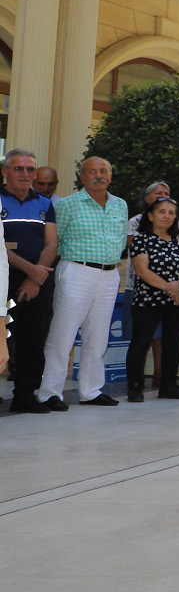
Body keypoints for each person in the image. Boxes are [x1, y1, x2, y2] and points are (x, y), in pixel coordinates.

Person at [27, 158, 129, 410]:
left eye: (103, 171)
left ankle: (91, 390)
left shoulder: (120, 205)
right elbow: (53, 242)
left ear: (111, 176)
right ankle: (49, 392)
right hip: (76, 271)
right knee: (63, 334)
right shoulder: (67, 205)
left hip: (109, 274)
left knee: (98, 336)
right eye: (92, 171)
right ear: (82, 177)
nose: (98, 175)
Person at [3, 149, 58, 414]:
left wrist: (37, 276)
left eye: (30, 169)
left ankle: (25, 395)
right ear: (5, 171)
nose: (25, 174)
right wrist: (30, 271)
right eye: (18, 168)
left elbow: (51, 243)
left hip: (38, 279)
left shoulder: (45, 204)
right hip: (3, 277)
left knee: (33, 337)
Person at [126, 195, 179, 402]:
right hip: (149, 299)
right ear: (151, 216)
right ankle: (135, 387)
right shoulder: (140, 239)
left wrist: (178, 284)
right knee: (141, 342)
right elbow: (142, 270)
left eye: (171, 213)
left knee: (173, 343)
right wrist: (169, 287)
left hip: (178, 298)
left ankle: (169, 386)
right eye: (162, 212)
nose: (167, 216)